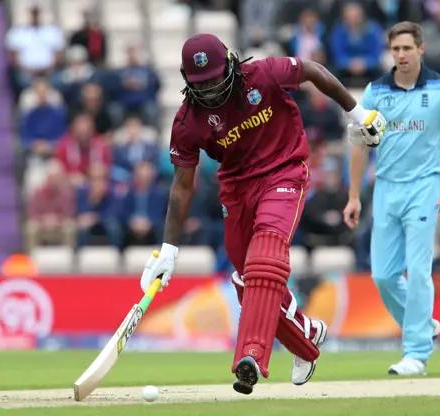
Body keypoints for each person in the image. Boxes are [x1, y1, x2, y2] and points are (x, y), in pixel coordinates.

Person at [138, 33, 386, 394]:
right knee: (245, 279)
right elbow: (182, 185)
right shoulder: (188, 121)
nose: (208, 89)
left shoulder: (264, 73)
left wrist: (358, 113)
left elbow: (314, 72)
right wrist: (169, 248)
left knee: (264, 259)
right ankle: (306, 337)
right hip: (237, 189)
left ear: (231, 65)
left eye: (214, 79)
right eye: (199, 84)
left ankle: (251, 355)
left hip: (284, 170)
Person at [343, 21, 440, 376]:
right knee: (383, 276)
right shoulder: (375, 92)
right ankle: (423, 324)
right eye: (395, 49)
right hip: (386, 187)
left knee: (418, 270)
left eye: (407, 48)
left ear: (421, 49)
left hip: (425, 188)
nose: (401, 55)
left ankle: (416, 353)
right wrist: (354, 196)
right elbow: (359, 146)